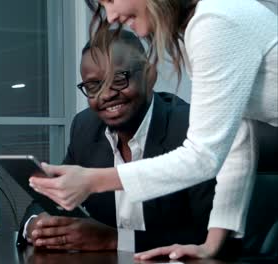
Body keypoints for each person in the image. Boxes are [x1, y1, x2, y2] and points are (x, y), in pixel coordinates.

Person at [29, 0, 277, 259]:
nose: (111, 16)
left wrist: (92, 180)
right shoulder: (199, 27)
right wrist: (210, 245)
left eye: (111, 1)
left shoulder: (214, 21)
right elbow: (238, 137)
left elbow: (202, 157)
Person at [17, 30, 225, 254]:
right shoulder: (86, 128)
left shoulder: (190, 129)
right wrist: (36, 225)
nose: (106, 95)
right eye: (94, 86)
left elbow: (210, 238)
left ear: (149, 75)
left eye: (118, 79)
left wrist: (114, 240)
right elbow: (49, 202)